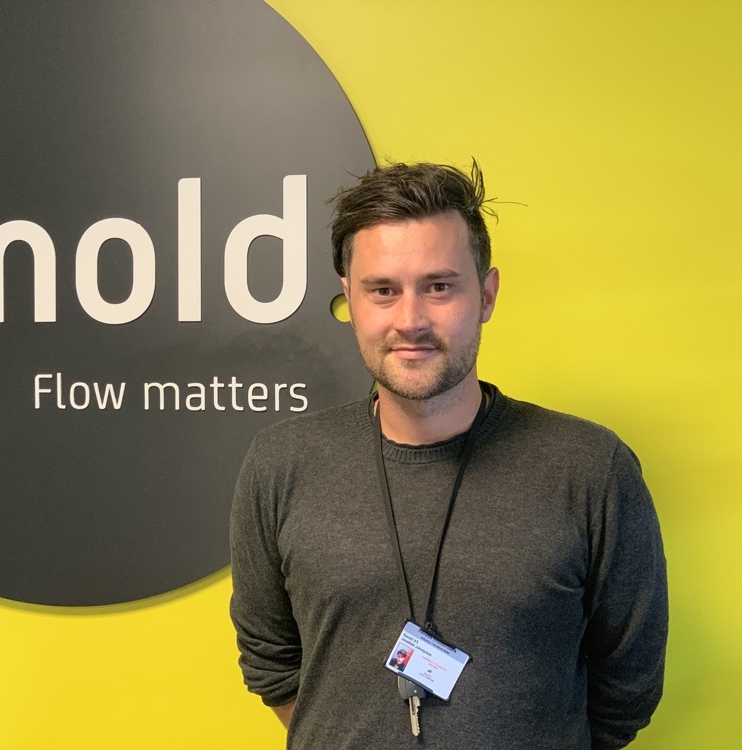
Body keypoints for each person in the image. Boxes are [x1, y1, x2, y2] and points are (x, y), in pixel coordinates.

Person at [229, 162, 667, 749]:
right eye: (383, 290)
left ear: (486, 295)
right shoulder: (281, 464)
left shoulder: (590, 468)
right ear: (350, 299)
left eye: (439, 287)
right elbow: (270, 660)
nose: (410, 321)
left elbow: (628, 685)